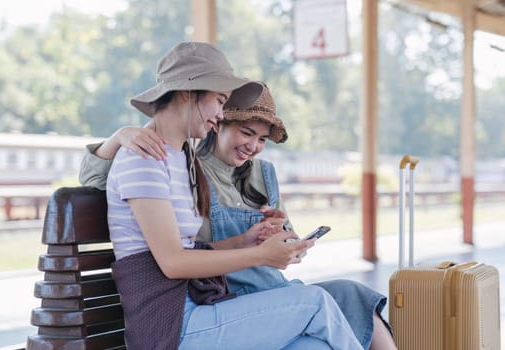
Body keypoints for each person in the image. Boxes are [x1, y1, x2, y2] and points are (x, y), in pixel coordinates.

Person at [80, 82, 396, 349]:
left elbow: (282, 252)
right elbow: (100, 180)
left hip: (266, 291)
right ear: (218, 125)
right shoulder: (187, 166)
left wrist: (276, 236)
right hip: (222, 297)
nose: (254, 146)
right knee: (317, 302)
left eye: (262, 140)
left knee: (344, 304)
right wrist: (119, 136)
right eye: (247, 133)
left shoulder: (263, 174)